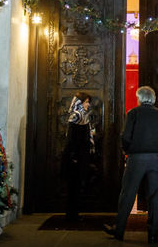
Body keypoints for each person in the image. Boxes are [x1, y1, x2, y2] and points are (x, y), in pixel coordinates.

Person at [104, 86, 158, 243]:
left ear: (139, 98)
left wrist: (126, 150)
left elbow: (126, 136)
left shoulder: (133, 113)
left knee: (128, 194)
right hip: (156, 159)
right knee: (154, 196)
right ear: (153, 98)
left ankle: (119, 230)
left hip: (136, 158)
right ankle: (153, 233)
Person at [62, 91, 93, 222]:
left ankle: (75, 213)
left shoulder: (84, 117)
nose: (88, 104)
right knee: (73, 185)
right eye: (86, 102)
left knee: (78, 185)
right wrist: (74, 156)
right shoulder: (75, 117)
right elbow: (71, 139)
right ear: (80, 103)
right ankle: (71, 214)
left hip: (81, 156)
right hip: (74, 158)